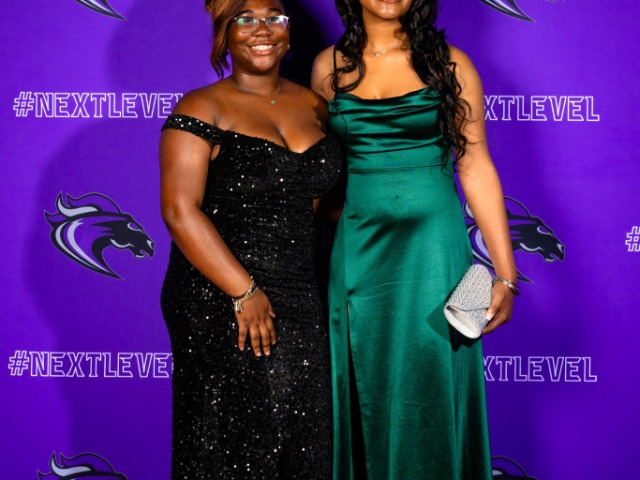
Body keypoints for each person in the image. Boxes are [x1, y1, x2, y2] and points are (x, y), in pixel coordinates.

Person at [311, 0, 518, 478]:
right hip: (359, 250)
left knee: (434, 377)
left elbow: (476, 164)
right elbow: (320, 169)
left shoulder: (452, 63)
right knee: (365, 375)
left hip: (435, 250)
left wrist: (506, 275)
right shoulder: (327, 66)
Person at [159, 0, 341, 478]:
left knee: (302, 438)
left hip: (298, 292)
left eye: (274, 17)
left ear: (288, 30)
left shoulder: (316, 106)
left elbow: (323, 204)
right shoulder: (202, 106)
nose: (263, 30)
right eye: (246, 19)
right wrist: (244, 291)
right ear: (226, 32)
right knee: (233, 443)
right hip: (220, 293)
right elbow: (179, 211)